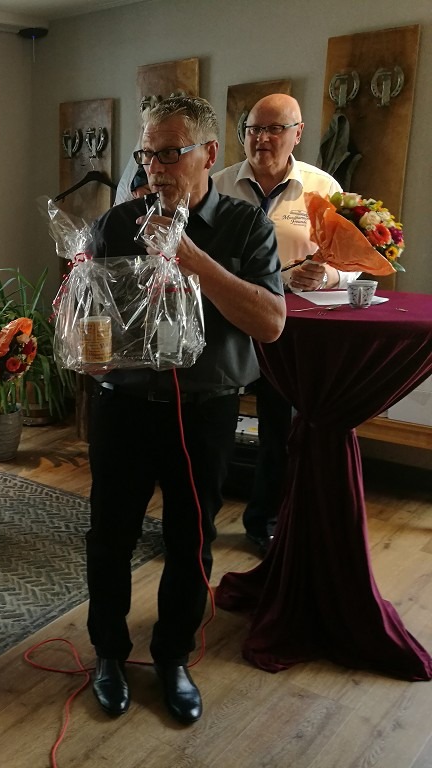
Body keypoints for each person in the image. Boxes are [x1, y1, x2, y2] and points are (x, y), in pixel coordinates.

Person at [84, 96, 284, 724]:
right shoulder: (118, 223)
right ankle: (109, 654)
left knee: (191, 540)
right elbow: (91, 310)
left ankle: (172, 657)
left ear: (209, 154)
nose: (156, 167)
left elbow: (271, 323)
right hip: (121, 405)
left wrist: (192, 259)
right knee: (109, 536)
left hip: (204, 411)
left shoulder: (246, 228)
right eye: (147, 153)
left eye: (171, 153)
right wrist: (87, 347)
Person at [213, 93, 358, 556]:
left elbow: (353, 261)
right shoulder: (217, 186)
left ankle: (265, 522)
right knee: (213, 427)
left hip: (291, 328)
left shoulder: (322, 188)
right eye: (254, 129)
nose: (262, 138)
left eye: (274, 129)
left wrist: (329, 275)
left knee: (281, 432)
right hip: (227, 324)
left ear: (297, 134)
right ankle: (198, 520)